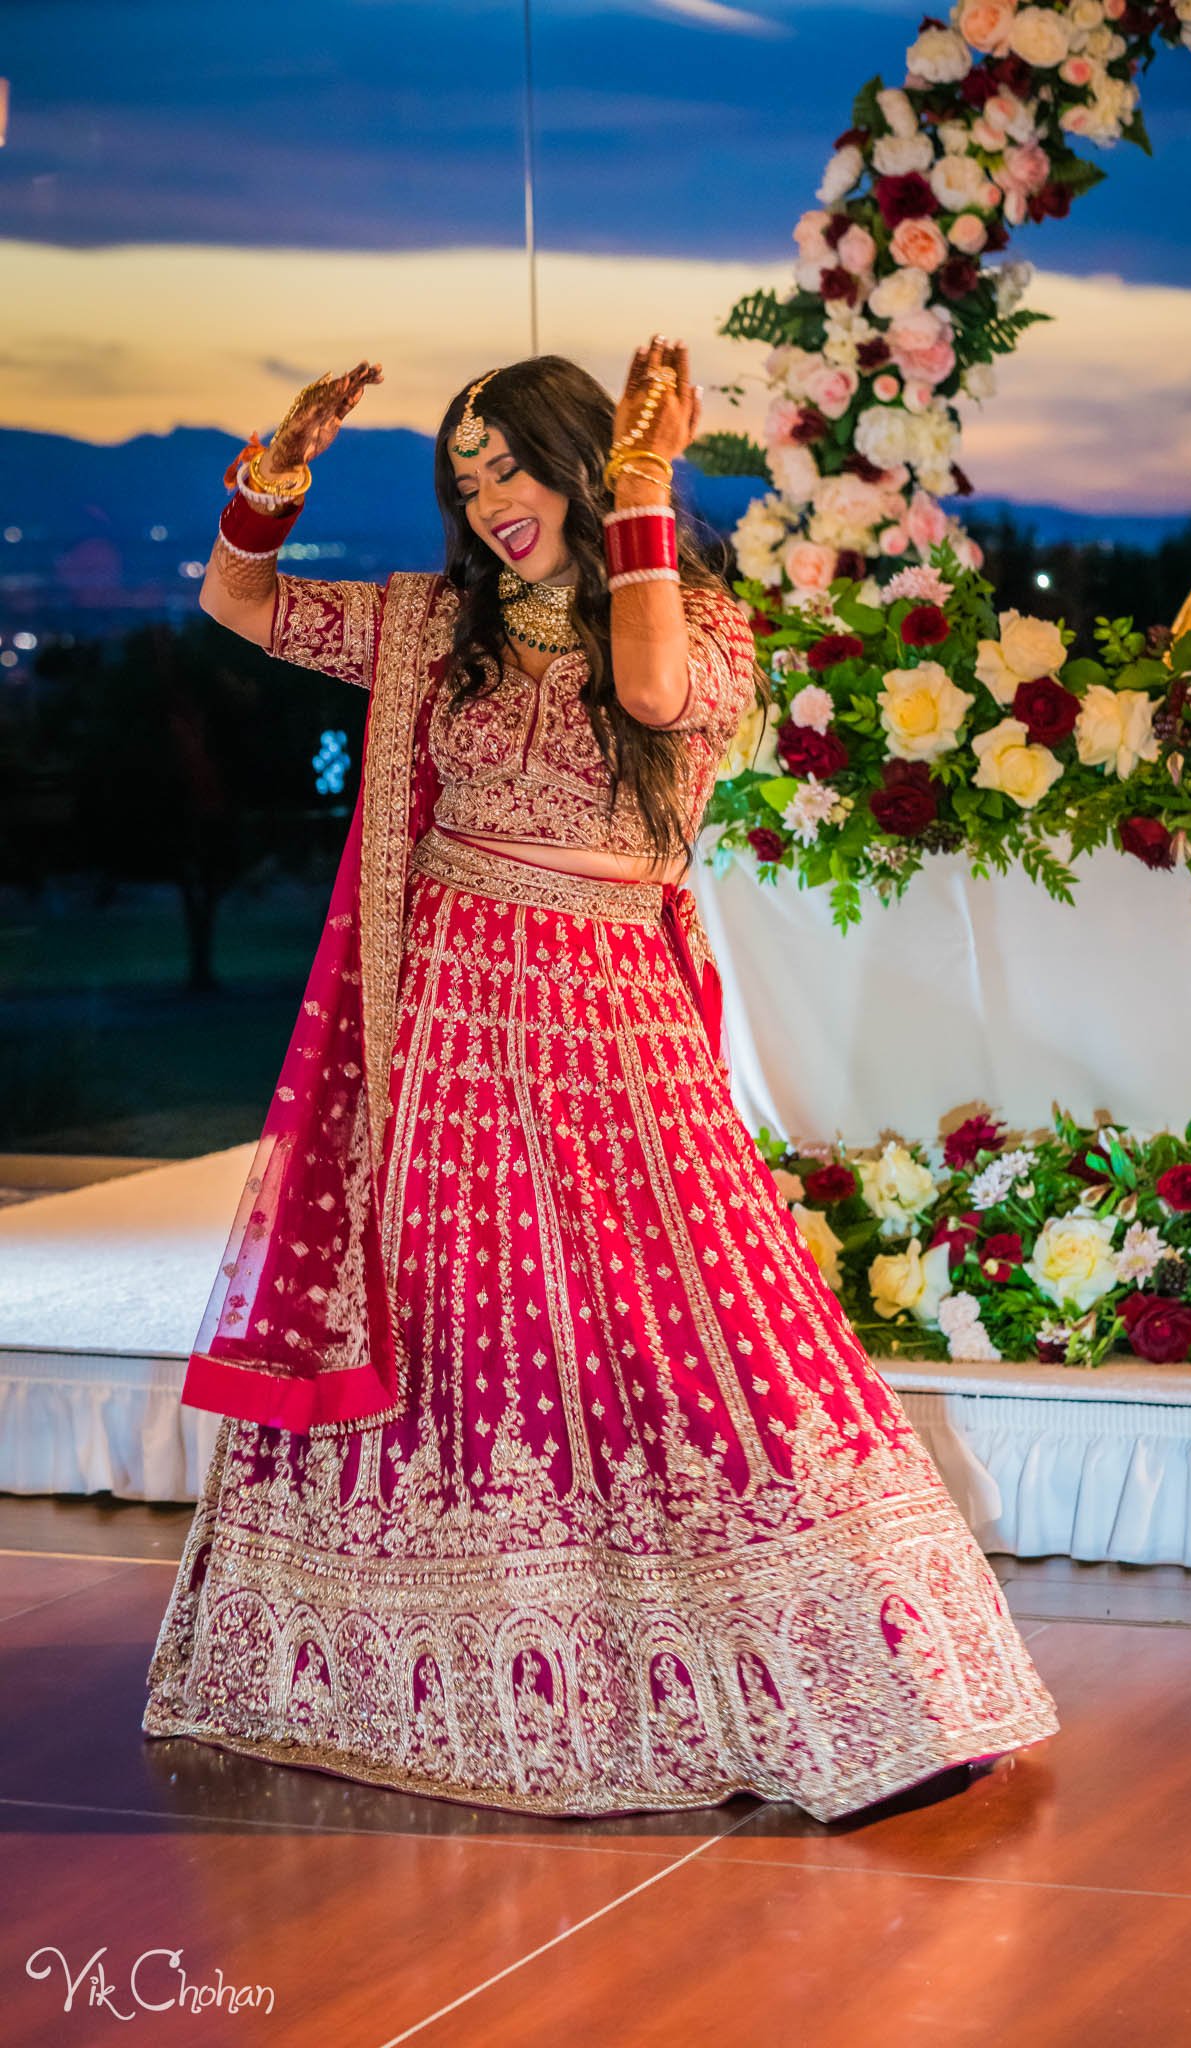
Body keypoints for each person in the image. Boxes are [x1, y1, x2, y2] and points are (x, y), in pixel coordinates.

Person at [143, 339, 1058, 1820]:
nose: (488, 495)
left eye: (508, 460)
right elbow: (235, 602)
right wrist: (270, 485)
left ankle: (865, 1689)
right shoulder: (435, 625)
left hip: (612, 1017)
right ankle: (394, 1676)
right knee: (459, 1329)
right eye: (463, 476)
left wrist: (644, 486)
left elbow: (644, 694)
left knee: (705, 1323)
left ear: (578, 459)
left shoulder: (695, 622)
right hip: (446, 1019)